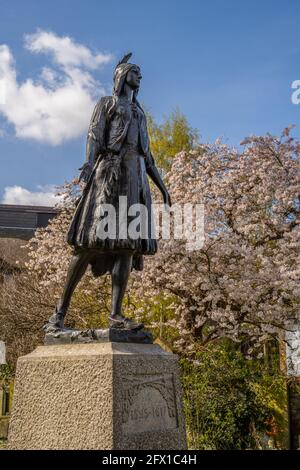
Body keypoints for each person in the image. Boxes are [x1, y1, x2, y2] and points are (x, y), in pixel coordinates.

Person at [44, 53, 171, 332]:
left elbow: (147, 156)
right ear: (123, 76)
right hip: (110, 176)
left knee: (127, 247)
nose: (140, 77)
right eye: (135, 72)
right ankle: (58, 315)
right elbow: (94, 135)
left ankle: (116, 315)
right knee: (89, 243)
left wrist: (162, 188)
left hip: (135, 179)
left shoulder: (139, 113)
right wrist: (89, 164)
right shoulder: (108, 104)